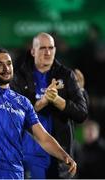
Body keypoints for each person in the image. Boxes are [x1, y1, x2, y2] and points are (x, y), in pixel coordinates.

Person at [0, 14, 77, 179]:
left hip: (16, 174)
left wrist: (64, 155)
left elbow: (43, 137)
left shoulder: (23, 102)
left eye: (9, 63)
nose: (6, 68)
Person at [10, 32, 88, 179]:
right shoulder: (19, 78)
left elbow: (82, 114)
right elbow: (15, 117)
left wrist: (58, 100)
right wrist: (43, 101)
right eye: (42, 48)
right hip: (27, 157)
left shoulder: (67, 75)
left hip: (60, 158)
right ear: (33, 51)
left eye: (51, 48)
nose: (47, 52)